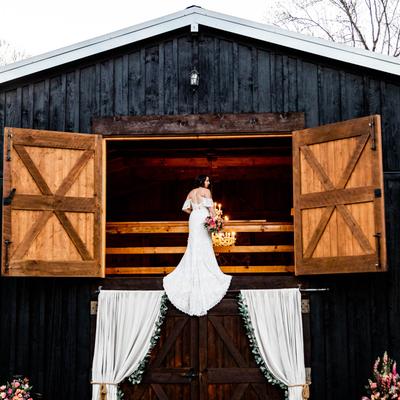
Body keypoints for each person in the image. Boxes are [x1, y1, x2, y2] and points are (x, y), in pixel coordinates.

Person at [163, 175, 232, 316]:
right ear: (202, 181)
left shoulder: (191, 192)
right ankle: (206, 269)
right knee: (205, 243)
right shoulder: (206, 192)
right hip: (202, 217)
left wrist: (194, 211)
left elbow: (184, 209)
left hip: (193, 218)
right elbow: (212, 209)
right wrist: (216, 221)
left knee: (194, 244)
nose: (208, 182)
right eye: (207, 180)